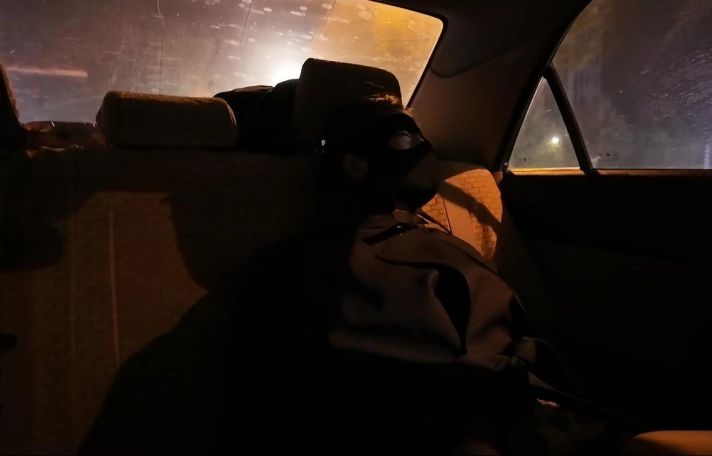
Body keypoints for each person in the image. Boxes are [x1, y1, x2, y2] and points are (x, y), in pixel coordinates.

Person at [224, 93, 639, 455]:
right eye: (404, 137)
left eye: (423, 136)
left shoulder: (443, 237)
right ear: (354, 163)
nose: (426, 148)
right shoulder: (302, 265)